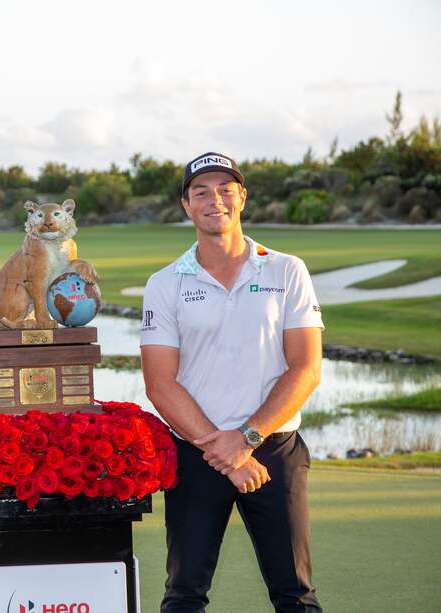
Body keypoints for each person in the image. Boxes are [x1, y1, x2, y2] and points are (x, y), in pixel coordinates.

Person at [140, 152, 324, 612]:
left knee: (295, 595)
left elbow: (305, 367)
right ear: (186, 204)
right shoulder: (165, 284)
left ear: (242, 197)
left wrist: (245, 440)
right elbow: (160, 383)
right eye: (201, 191)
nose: (214, 199)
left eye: (225, 189)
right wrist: (222, 451)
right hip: (197, 454)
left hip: (273, 451)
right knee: (184, 595)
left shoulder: (286, 270)